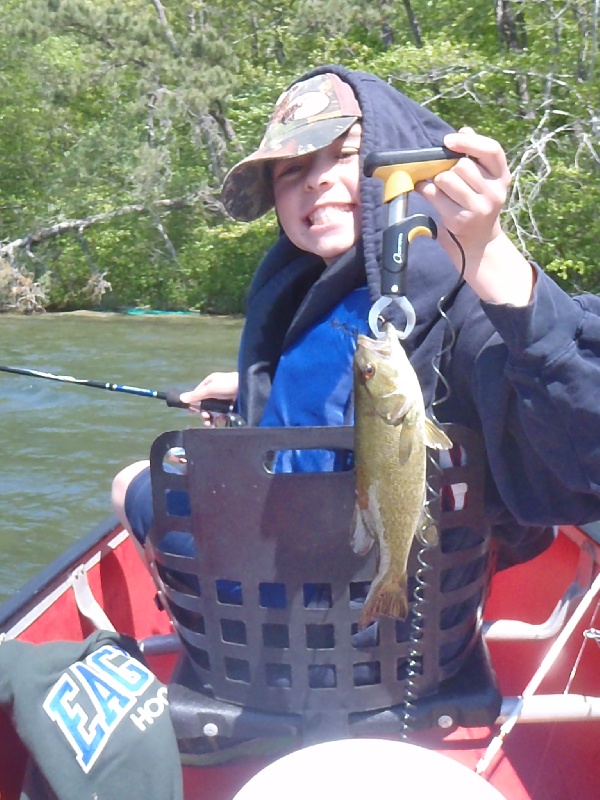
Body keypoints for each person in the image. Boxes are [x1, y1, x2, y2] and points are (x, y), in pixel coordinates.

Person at [112, 64, 600, 573]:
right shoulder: (311, 297)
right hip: (311, 581)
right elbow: (351, 385)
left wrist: (490, 253)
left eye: (345, 154)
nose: (317, 179)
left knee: (130, 483)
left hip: (306, 593)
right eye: (290, 171)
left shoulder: (473, 316)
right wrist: (263, 391)